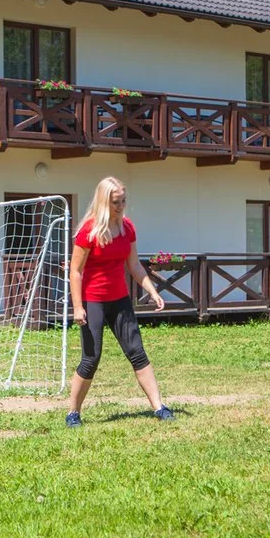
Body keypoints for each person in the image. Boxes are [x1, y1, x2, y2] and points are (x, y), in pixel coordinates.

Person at [66, 176, 172, 427]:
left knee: (137, 352)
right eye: (116, 202)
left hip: (120, 300)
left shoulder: (127, 228)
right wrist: (78, 306)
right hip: (93, 302)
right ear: (104, 201)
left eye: (123, 201)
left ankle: (159, 407)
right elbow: (76, 271)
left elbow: (133, 264)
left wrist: (152, 290)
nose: (121, 206)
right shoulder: (88, 232)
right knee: (90, 359)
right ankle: (73, 413)